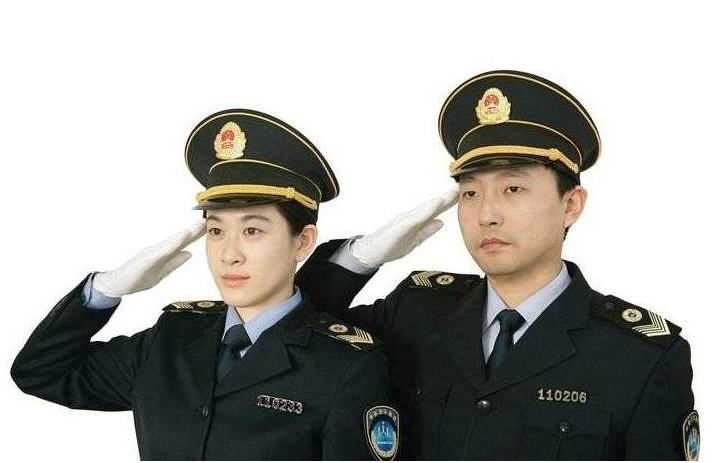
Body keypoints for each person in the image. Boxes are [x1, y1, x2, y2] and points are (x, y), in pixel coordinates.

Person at [295, 71, 699, 460]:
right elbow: (292, 334)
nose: (487, 214)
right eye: (470, 193)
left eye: (513, 188)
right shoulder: (416, 312)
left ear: (571, 205)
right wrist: (358, 258)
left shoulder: (640, 357)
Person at [11, 109, 399, 460]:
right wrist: (104, 291)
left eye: (252, 230)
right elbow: (40, 373)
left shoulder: (345, 366)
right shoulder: (170, 340)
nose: (229, 254)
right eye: (215, 231)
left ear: (303, 241)